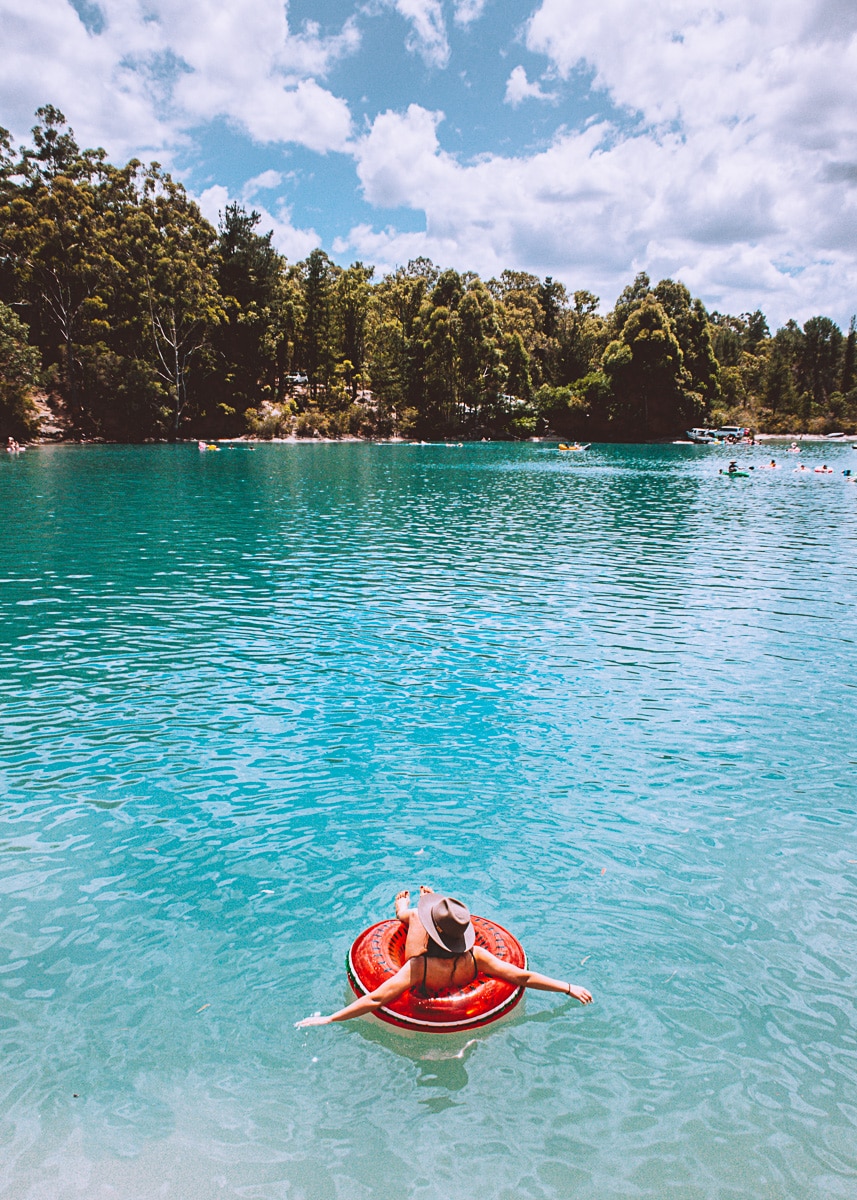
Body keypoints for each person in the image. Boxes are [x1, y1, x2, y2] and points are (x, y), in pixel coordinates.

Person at [295, 892, 592, 1028]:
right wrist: (567, 987)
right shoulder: (477, 956)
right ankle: (435, 905)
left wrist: (330, 1018)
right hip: (456, 967)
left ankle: (406, 908)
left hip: (426, 972)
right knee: (423, 921)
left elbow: (375, 1000)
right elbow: (521, 977)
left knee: (409, 919)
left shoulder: (417, 967)